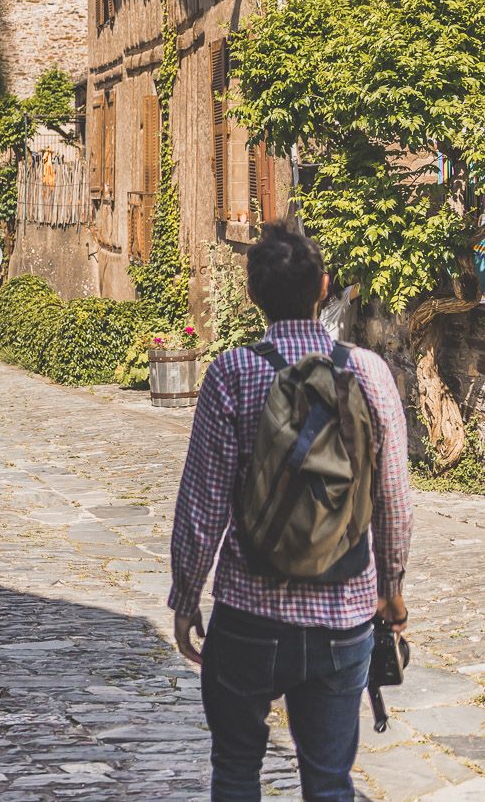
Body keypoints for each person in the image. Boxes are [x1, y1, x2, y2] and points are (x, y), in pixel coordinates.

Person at [170, 222, 412, 802]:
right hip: (343, 612)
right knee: (329, 780)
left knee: (235, 769)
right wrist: (392, 586)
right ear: (323, 286)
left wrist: (185, 598)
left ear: (252, 293)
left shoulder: (231, 374)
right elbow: (394, 499)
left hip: (250, 614)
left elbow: (202, 508)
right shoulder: (368, 374)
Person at [320, 275, 360, 343]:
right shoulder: (340, 298)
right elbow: (365, 287)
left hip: (322, 344)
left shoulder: (317, 301)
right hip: (335, 345)